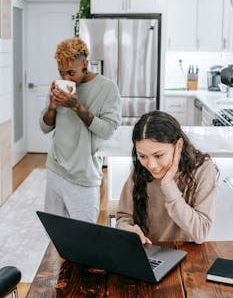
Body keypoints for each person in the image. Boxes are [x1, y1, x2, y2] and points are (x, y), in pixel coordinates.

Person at [39, 37, 121, 222]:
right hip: (55, 168)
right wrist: (52, 105)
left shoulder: (107, 88)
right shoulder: (58, 88)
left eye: (71, 72)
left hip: (84, 176)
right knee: (55, 233)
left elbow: (107, 130)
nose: (66, 79)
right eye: (61, 73)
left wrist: (76, 106)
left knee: (84, 237)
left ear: (85, 64)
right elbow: (44, 127)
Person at [116, 110, 218, 244]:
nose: (151, 165)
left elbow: (200, 232)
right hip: (148, 253)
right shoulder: (141, 170)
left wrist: (168, 185)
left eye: (158, 156)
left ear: (179, 146)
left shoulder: (203, 169)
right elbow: (124, 217)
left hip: (186, 255)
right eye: (142, 156)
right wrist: (127, 229)